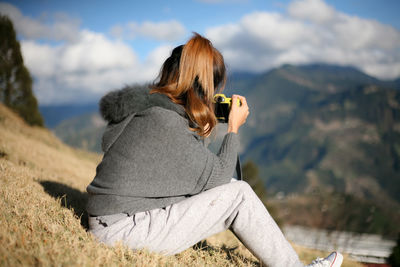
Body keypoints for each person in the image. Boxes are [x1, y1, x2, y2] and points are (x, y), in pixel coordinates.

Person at [86, 33, 343, 267]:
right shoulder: (165, 122)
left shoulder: (149, 109)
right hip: (122, 230)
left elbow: (191, 171)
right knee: (238, 194)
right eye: (211, 90)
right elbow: (217, 178)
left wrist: (202, 125)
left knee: (230, 187)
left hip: (112, 219)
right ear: (203, 88)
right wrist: (232, 128)